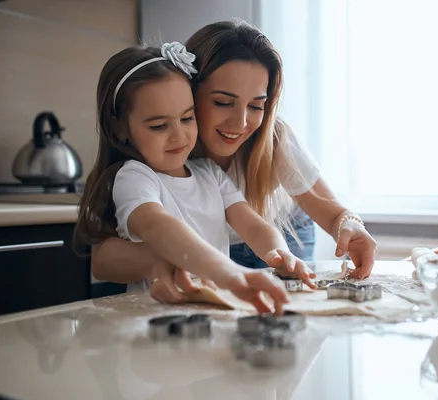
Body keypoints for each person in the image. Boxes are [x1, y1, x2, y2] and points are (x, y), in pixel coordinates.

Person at [90, 19, 378, 304]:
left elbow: (263, 227)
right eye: (223, 102)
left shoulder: (231, 161)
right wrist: (180, 264)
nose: (240, 122)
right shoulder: (140, 173)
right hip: (216, 259)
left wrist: (345, 227)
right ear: (189, 90)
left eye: (256, 106)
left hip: (279, 228)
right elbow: (155, 230)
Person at [74, 41, 317, 313]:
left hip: (214, 311)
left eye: (187, 118)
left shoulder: (210, 173)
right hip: (159, 318)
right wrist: (227, 272)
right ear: (120, 128)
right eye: (159, 126)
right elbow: (157, 225)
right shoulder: (135, 177)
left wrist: (279, 254)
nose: (179, 136)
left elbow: (255, 227)